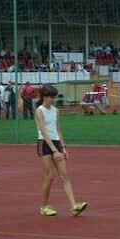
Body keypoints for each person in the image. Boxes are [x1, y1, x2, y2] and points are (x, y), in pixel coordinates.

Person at [35, 85, 88, 217]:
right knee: (50, 176)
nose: (53, 99)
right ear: (44, 97)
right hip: (44, 144)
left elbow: (58, 130)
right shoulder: (39, 111)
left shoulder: (56, 111)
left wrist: (63, 148)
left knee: (65, 175)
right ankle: (44, 206)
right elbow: (43, 131)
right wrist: (54, 151)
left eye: (54, 97)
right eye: (51, 97)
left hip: (56, 143)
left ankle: (74, 206)